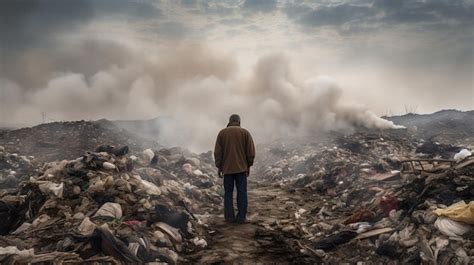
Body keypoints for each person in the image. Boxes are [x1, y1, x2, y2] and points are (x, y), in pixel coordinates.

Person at [214, 114, 255, 223]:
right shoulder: (245, 133)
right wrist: (248, 165)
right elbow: (250, 152)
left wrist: (219, 166)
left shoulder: (222, 133)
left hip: (227, 169)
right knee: (242, 192)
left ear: (230, 121)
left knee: (228, 193)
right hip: (241, 169)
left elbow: (218, 153)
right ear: (239, 122)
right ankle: (241, 217)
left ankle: (229, 217)